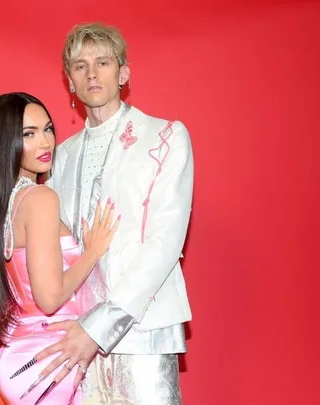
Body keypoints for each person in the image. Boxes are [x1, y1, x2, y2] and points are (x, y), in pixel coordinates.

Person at [13, 22, 194, 404]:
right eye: (80, 65)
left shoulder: (165, 137)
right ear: (70, 82)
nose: (92, 72)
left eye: (103, 62)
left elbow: (165, 243)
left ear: (123, 73)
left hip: (143, 329)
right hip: (72, 336)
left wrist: (98, 327)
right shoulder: (59, 155)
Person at [0, 92, 120, 405]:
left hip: (11, 358)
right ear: (5, 142)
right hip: (49, 364)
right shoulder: (40, 199)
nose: (45, 142)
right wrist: (92, 252)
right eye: (29, 134)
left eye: (48, 129)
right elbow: (50, 297)